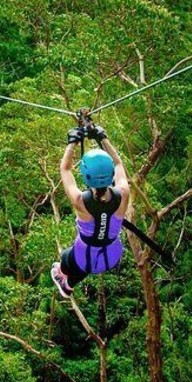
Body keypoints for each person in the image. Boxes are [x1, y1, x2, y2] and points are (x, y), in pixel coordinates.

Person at [50, 124, 130, 298]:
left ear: (86, 175)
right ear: (110, 174)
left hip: (84, 256)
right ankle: (68, 285)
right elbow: (118, 163)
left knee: (65, 258)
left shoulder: (81, 201)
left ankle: (66, 282)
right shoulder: (123, 194)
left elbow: (65, 169)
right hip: (112, 255)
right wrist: (103, 138)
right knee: (85, 262)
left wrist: (72, 143)